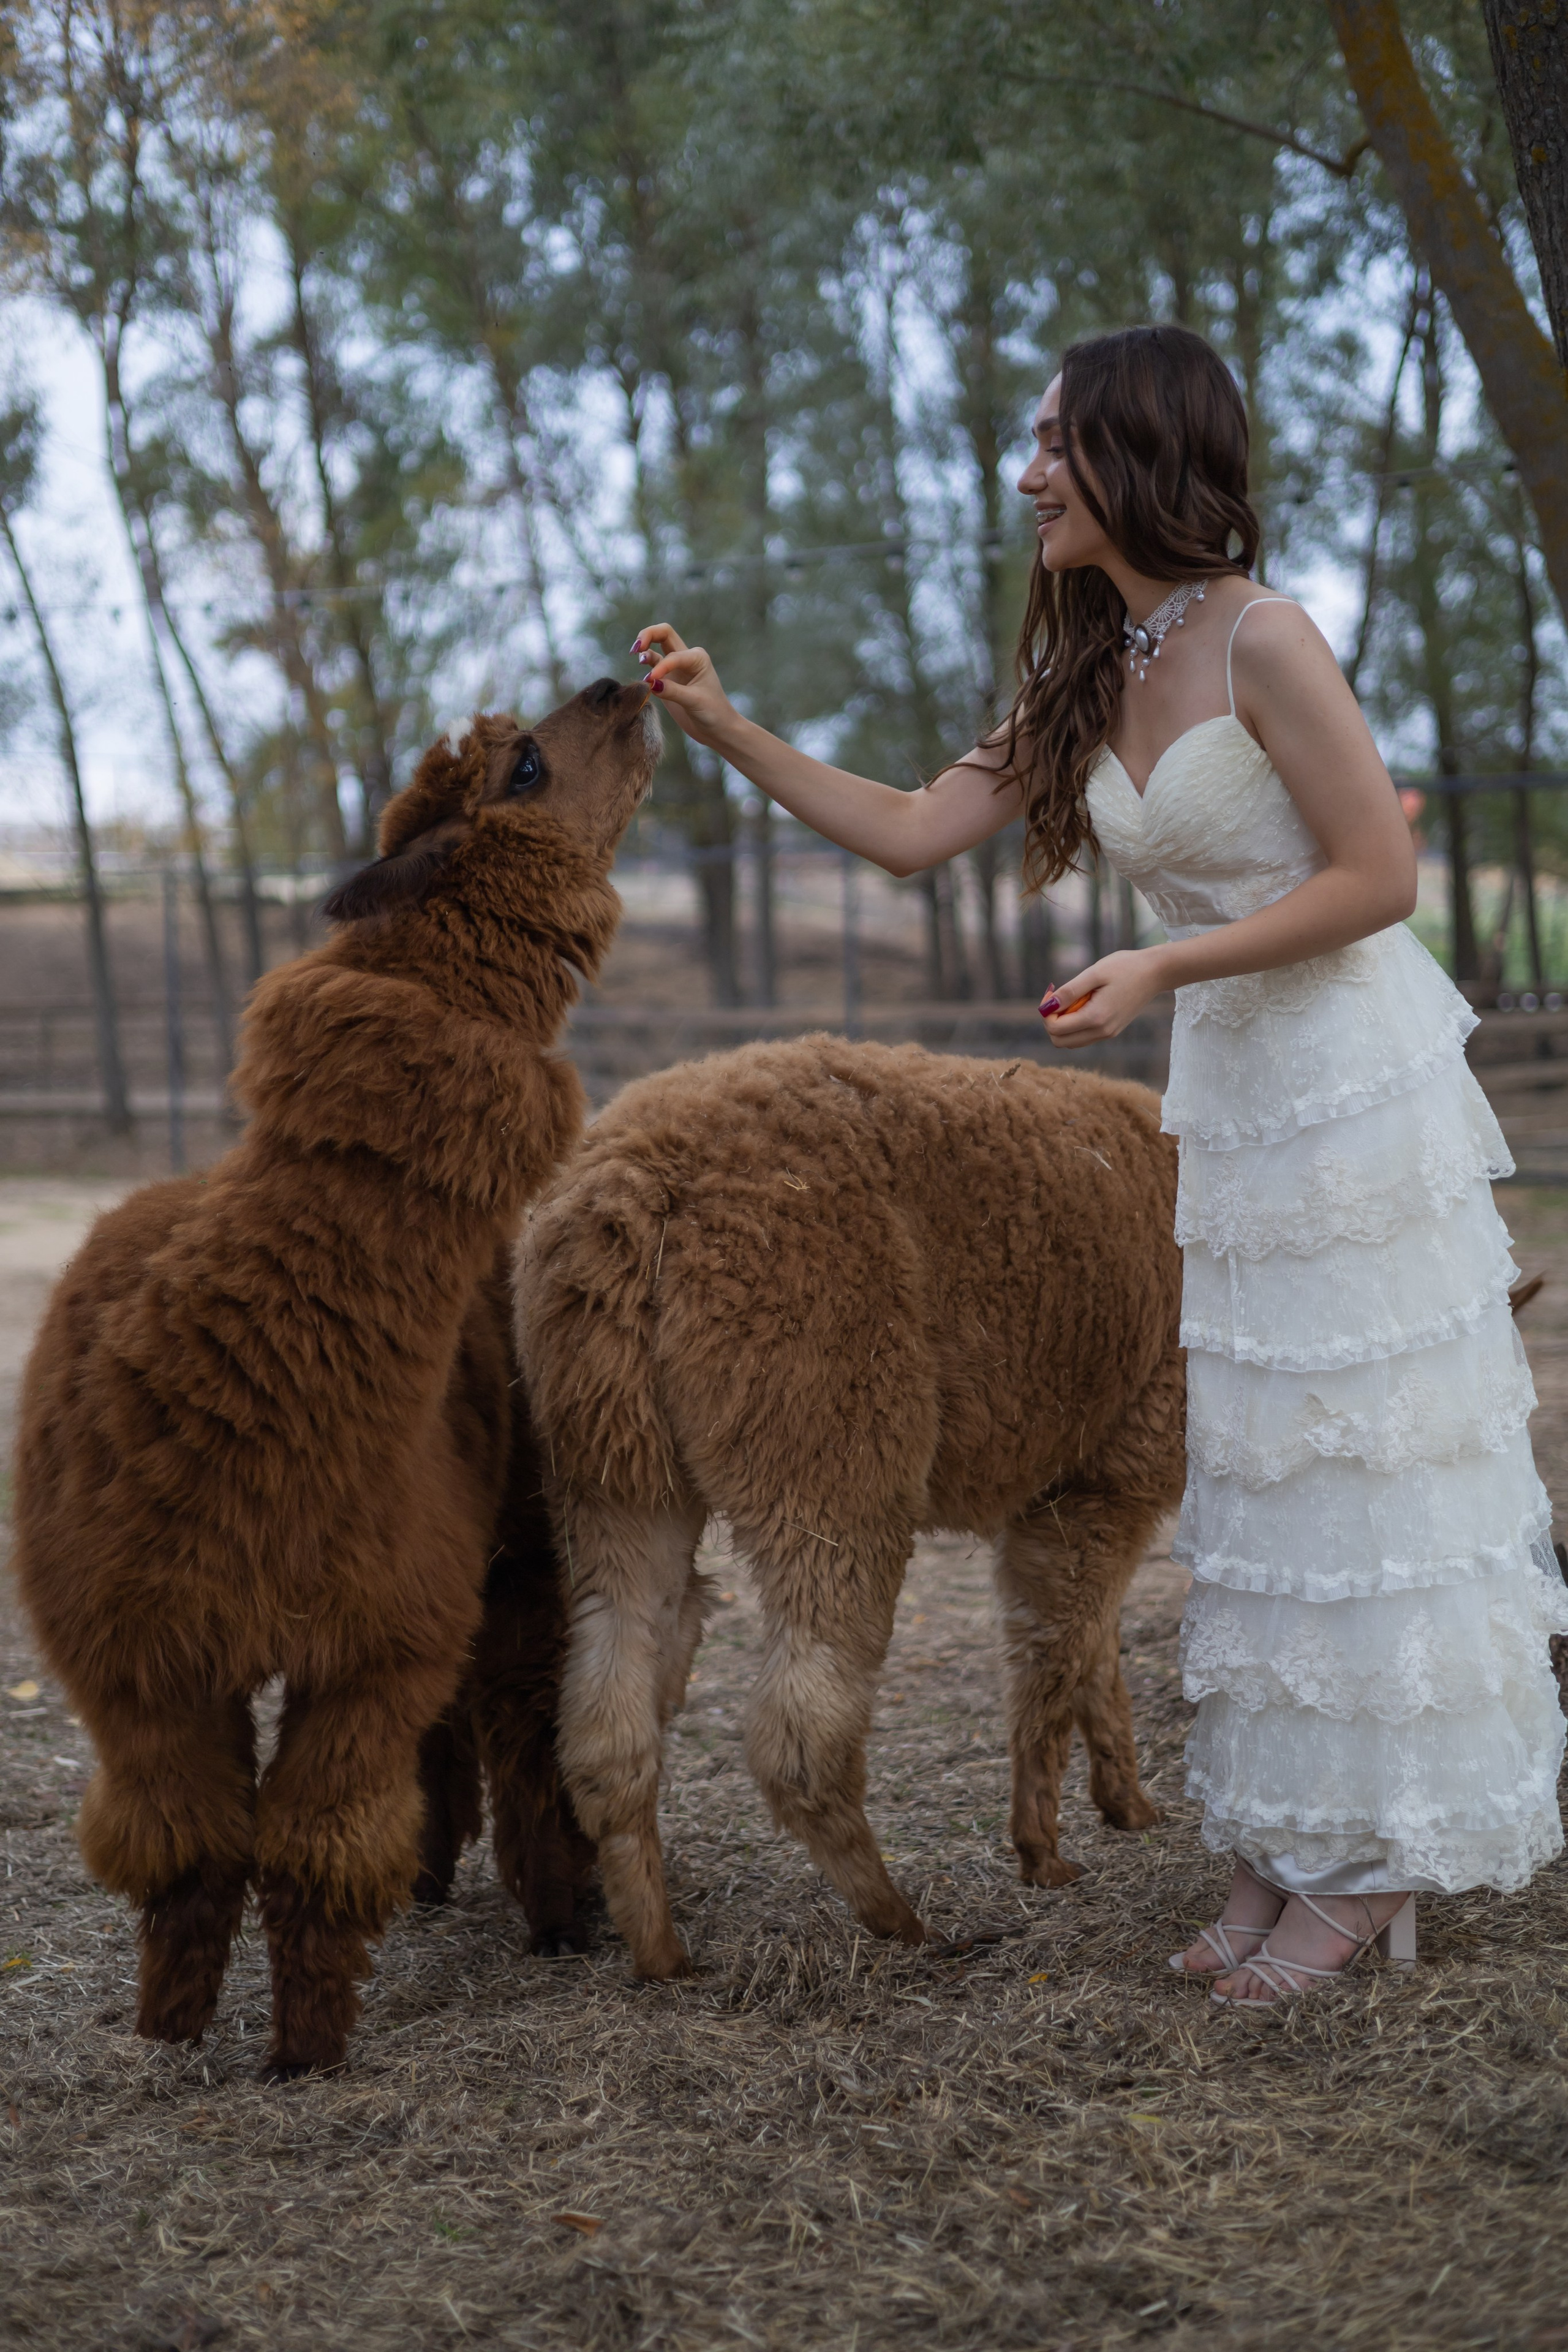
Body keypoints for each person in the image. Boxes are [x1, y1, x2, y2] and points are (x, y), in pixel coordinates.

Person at [631, 321, 1568, 2006]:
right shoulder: (1096, 661)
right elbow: (918, 827)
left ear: (1140, 447)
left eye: (1056, 439)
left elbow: (1376, 880)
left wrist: (1161, 969)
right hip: (1234, 1096)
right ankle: (1285, 1845)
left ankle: (1372, 1872)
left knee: (1359, 1470)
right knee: (1265, 1475)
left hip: (1348, 1087)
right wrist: (728, 732)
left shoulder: (1267, 641)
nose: (1027, 472)